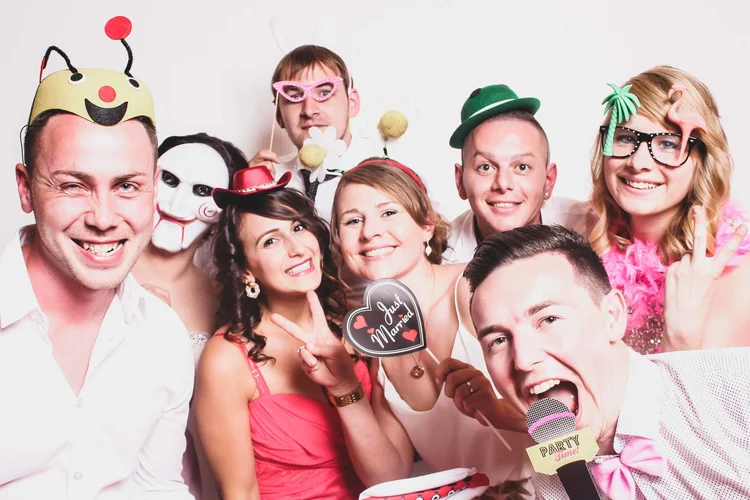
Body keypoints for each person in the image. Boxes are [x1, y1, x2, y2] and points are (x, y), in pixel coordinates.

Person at [0, 18, 193, 499]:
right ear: (26, 189)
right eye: (73, 185)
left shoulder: (164, 336)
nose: (103, 218)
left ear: (153, 188)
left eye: (126, 186)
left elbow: (157, 488)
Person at [465, 223, 750, 499]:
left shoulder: (736, 388)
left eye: (549, 319)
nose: (523, 360)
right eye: (498, 340)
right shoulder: (552, 489)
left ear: (612, 316)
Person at [324, 158, 534, 498]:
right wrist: (344, 388)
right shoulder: (382, 342)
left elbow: (575, 417)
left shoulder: (477, 288)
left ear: (426, 224)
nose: (369, 232)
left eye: (388, 212)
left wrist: (497, 413)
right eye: (352, 220)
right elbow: (387, 476)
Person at [193, 165, 374, 499]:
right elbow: (239, 494)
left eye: (298, 227)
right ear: (245, 271)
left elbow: (393, 467)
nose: (297, 248)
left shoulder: (355, 324)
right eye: (271, 241)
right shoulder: (227, 360)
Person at [589, 66, 750, 354]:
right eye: (626, 138)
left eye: (667, 143)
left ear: (703, 160)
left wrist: (682, 334)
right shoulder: (582, 240)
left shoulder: (739, 278)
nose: (638, 163)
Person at [132, 133, 246, 500]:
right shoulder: (98, 270)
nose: (178, 202)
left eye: (201, 191)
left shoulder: (224, 299)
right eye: (169, 180)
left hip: (180, 476)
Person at [445, 84, 588, 264]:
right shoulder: (443, 259)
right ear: (460, 181)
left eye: (522, 167)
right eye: (486, 167)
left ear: (548, 181)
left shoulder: (590, 230)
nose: (503, 184)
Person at [249, 44, 377, 223]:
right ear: (279, 116)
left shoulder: (388, 174)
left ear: (352, 103)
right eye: (295, 96)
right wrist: (247, 198)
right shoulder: (268, 181)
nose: (309, 111)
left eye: (324, 92)